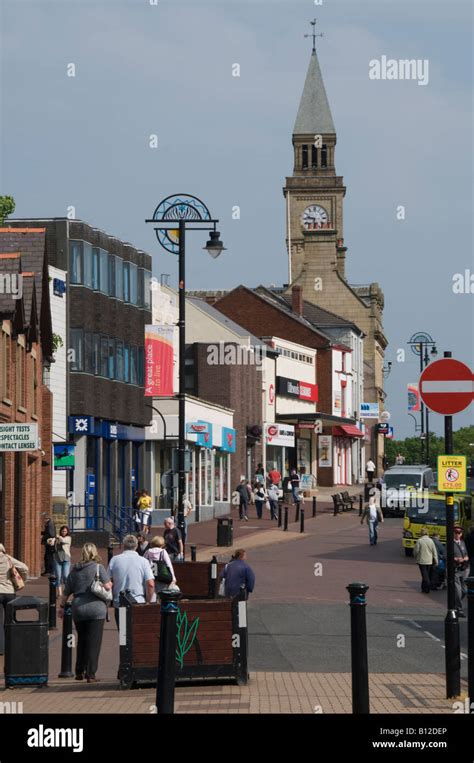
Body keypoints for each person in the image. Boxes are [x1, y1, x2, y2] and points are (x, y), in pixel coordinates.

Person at [59, 543, 112, 682]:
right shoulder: (98, 568)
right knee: (94, 642)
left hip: (79, 609)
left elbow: (65, 593)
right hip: (96, 609)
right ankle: (90, 674)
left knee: (82, 640)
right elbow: (107, 586)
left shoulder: (74, 570)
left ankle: (79, 671)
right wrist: (109, 584)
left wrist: (61, 607)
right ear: (94, 553)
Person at [108, 534, 155, 628]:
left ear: (123, 545)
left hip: (120, 603)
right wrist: (148, 602)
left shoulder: (114, 560)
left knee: (123, 636)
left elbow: (108, 582)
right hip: (138, 602)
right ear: (136, 546)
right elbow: (150, 584)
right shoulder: (143, 561)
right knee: (138, 635)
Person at [0, 544, 28, 654]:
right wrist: (23, 579)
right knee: (10, 620)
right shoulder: (8, 558)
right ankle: (11, 645)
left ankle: (1, 648)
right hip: (9, 592)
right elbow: (25, 568)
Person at [413, 528, 438, 594]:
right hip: (429, 561)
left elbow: (416, 551)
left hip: (422, 561)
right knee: (426, 574)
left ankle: (428, 585)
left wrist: (415, 556)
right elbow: (434, 551)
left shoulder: (419, 541)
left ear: (421, 533)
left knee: (424, 575)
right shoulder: (431, 541)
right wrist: (436, 560)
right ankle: (424, 588)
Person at [453, 526, 469, 617]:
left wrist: (466, 557)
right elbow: (445, 555)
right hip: (455, 569)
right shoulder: (450, 543)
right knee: (458, 590)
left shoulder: (462, 543)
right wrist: (455, 559)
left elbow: (466, 553)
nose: (458, 534)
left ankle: (454, 603)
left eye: (459, 533)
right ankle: (459, 609)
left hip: (464, 568)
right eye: (456, 532)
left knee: (465, 590)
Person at [53, 525, 72, 597]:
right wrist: (51, 540)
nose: (64, 532)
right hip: (57, 559)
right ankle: (59, 592)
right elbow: (52, 543)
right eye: (63, 531)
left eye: (65, 531)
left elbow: (63, 540)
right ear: (60, 531)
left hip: (66, 559)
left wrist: (58, 537)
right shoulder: (57, 538)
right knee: (58, 576)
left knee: (66, 576)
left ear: (67, 532)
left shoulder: (68, 538)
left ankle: (67, 591)